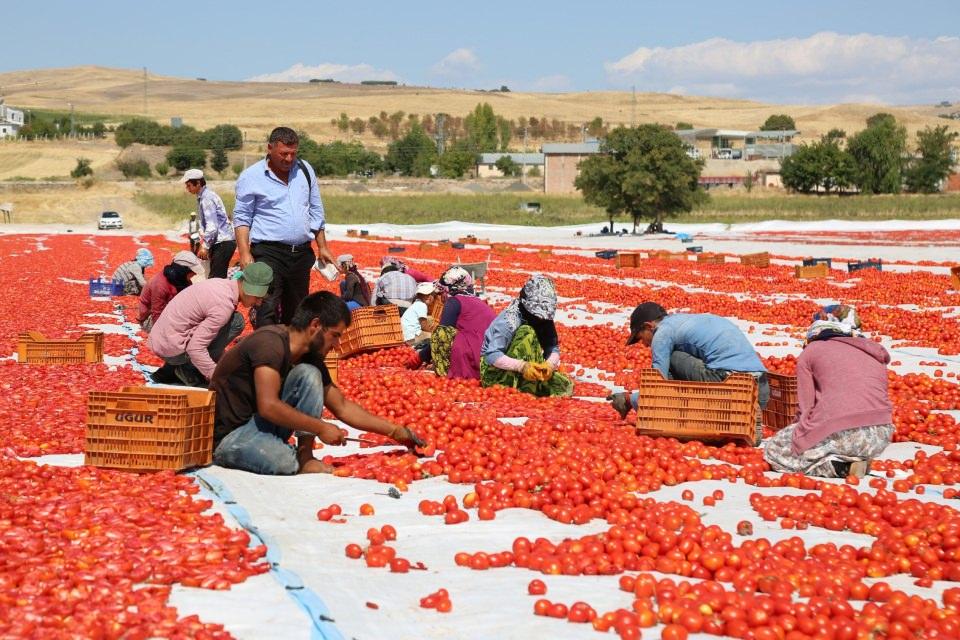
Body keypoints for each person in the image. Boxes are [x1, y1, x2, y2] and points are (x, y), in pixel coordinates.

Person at [209, 291, 425, 475]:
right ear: (315, 325)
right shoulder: (269, 343)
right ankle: (287, 458)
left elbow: (341, 406)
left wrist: (395, 431)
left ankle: (305, 457)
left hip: (261, 427)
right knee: (283, 462)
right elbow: (268, 406)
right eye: (334, 336)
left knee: (309, 373)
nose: (337, 344)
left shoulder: (309, 356)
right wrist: (321, 427)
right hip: (230, 436)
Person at [610, 302, 769, 444]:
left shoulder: (662, 333)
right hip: (760, 388)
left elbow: (658, 385)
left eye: (640, 337)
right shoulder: (684, 320)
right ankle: (748, 413)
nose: (644, 344)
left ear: (648, 326)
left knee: (672, 359)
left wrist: (630, 399)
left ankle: (674, 417)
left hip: (729, 384)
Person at [764, 305, 893, 478]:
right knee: (824, 434)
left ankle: (840, 468)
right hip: (881, 435)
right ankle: (854, 458)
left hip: (844, 433)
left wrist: (797, 435)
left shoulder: (811, 352)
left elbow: (805, 407)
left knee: (775, 452)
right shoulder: (874, 353)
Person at [234, 126, 335, 327]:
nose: (289, 159)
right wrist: (245, 253)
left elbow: (316, 210)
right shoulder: (251, 177)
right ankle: (266, 353)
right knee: (267, 306)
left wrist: (322, 246)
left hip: (300, 253)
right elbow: (242, 218)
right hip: (269, 252)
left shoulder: (305, 170)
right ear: (269, 148)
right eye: (283, 154)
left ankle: (289, 354)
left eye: (293, 154)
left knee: (298, 310)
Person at [148, 262, 273, 387]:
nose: (258, 303)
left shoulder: (221, 284)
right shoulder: (223, 305)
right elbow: (195, 348)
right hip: (170, 350)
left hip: (163, 340)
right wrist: (218, 376)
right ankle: (188, 369)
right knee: (237, 322)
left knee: (232, 319)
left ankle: (174, 368)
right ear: (248, 290)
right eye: (258, 297)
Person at [480, 274, 573, 397]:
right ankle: (521, 385)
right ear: (526, 305)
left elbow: (552, 347)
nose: (540, 319)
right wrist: (522, 366)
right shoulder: (509, 320)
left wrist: (549, 365)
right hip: (495, 371)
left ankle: (529, 382)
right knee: (527, 331)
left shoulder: (543, 319)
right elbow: (492, 355)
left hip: (529, 367)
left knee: (563, 385)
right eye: (537, 315)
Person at [430, 266, 495, 380]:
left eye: (442, 291)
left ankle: (455, 370)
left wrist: (419, 357)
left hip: (474, 354)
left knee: (440, 333)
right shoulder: (477, 301)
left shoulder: (454, 302)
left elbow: (442, 333)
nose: (441, 296)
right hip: (492, 356)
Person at [183, 168, 236, 279]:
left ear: (198, 183)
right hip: (221, 242)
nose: (187, 189)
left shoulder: (207, 198)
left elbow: (212, 227)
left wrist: (205, 246)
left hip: (223, 242)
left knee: (216, 279)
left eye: (189, 185)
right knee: (215, 277)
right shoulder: (204, 197)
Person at [138, 250, 204, 332]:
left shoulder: (182, 280)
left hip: (169, 311)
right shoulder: (160, 285)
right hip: (152, 316)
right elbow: (157, 312)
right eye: (193, 271)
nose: (195, 274)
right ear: (183, 271)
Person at [401, 282, 439, 348]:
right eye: (426, 294)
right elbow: (424, 325)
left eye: (431, 294)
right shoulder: (422, 305)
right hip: (411, 337)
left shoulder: (417, 303)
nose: (429, 297)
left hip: (406, 335)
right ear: (419, 295)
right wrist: (433, 332)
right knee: (436, 338)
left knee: (429, 318)